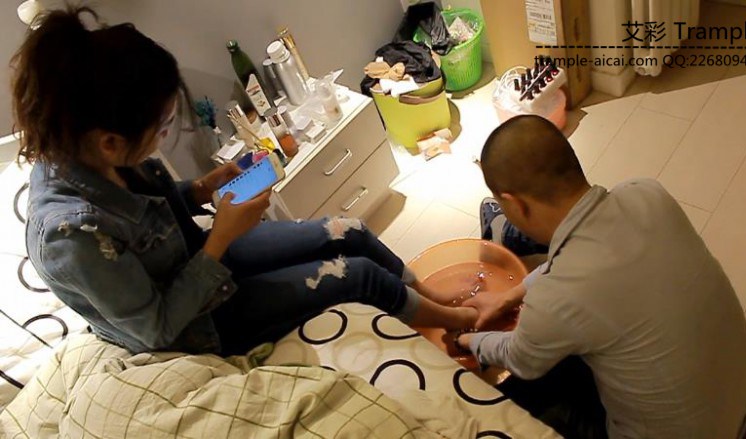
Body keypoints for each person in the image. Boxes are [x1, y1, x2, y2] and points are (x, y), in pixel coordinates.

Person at [14, 6, 476, 357]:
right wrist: (220, 239)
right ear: (111, 142)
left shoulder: (91, 150)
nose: (163, 137)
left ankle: (427, 296)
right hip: (197, 324)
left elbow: (148, 215)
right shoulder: (71, 235)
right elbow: (157, 328)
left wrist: (199, 190)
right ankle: (451, 319)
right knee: (356, 273)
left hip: (199, 259)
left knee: (349, 231)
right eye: (161, 128)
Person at [454, 115, 746, 438]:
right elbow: (575, 267)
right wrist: (507, 297)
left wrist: (467, 340)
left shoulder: (558, 296)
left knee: (515, 395)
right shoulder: (647, 193)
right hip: (737, 398)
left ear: (515, 205)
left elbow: (520, 359)